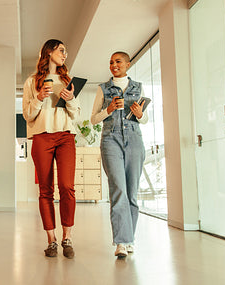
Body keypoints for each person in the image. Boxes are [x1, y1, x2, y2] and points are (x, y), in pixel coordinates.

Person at [22, 39, 80, 258]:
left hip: (65, 136)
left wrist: (71, 98)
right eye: (61, 50)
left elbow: (76, 114)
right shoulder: (32, 81)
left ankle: (68, 237)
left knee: (67, 187)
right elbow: (28, 116)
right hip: (41, 137)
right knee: (45, 190)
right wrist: (39, 98)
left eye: (66, 51)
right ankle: (52, 240)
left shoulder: (68, 80)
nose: (65, 54)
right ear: (49, 51)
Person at [90, 51, 148, 257]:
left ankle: (129, 238)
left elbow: (144, 118)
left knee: (132, 192)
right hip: (110, 140)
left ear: (128, 64)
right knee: (118, 190)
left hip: (134, 140)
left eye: (118, 61)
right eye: (111, 62)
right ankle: (121, 242)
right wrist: (109, 108)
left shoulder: (137, 87)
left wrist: (141, 115)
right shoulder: (103, 89)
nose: (114, 65)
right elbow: (93, 119)